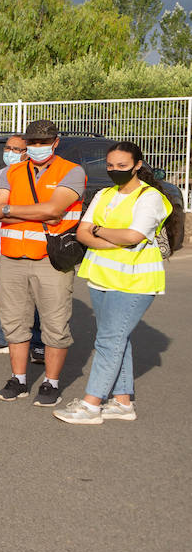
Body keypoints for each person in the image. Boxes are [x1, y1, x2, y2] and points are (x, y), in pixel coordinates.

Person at [56, 141, 172, 424]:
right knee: (116, 338)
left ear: (137, 165)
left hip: (135, 281)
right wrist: (108, 237)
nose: (115, 170)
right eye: (110, 166)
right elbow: (82, 232)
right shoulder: (105, 193)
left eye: (122, 166)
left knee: (109, 340)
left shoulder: (150, 197)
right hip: (101, 277)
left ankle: (91, 405)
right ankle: (122, 403)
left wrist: (98, 232)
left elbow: (133, 236)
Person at [0, 119, 85, 407]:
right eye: (33, 142)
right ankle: (18, 379)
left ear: (55, 142)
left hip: (50, 260)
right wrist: (36, 213)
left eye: (43, 142)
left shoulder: (72, 171)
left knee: (55, 324)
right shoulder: (12, 172)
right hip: (12, 258)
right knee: (14, 323)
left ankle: (51, 383)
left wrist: (11, 210)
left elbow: (55, 210)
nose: (37, 147)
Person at [0, 135, 43, 355]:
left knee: (31, 301)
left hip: (26, 250)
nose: (11, 152)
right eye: (8, 148)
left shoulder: (36, 176)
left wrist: (11, 212)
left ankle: (37, 343)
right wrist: (13, 213)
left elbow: (38, 213)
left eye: (17, 149)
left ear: (27, 152)